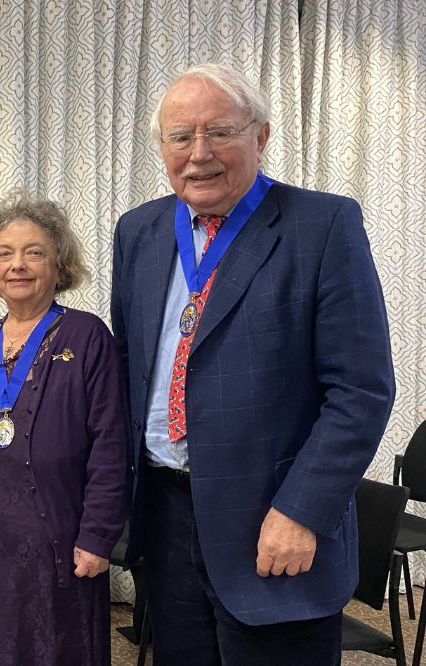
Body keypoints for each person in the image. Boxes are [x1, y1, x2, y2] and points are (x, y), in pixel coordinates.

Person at [111, 62, 395, 664]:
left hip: (274, 520)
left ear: (260, 136)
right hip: (166, 517)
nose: (199, 154)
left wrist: (302, 510)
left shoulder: (323, 225)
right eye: (180, 136)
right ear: (162, 147)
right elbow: (129, 368)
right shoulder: (139, 231)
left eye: (220, 132)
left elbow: (361, 391)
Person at [0, 192, 130, 665]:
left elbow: (111, 444)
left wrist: (98, 536)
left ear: (58, 264)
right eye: (5, 253)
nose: (18, 265)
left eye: (34, 252)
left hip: (62, 540)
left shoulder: (88, 337)